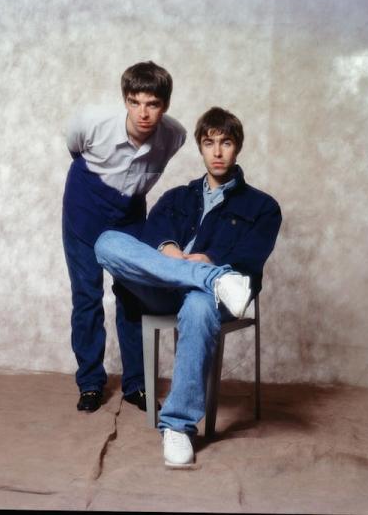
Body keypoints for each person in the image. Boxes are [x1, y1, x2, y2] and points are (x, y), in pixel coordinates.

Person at [93, 107, 282, 466]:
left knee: (197, 303)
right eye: (209, 143)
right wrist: (168, 249)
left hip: (216, 297)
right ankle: (212, 281)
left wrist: (207, 261)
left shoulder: (263, 207)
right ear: (200, 147)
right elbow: (150, 238)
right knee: (106, 242)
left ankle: (177, 427)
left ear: (237, 147)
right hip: (168, 287)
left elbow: (249, 260)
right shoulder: (177, 197)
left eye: (226, 143)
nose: (217, 151)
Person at [63, 61, 187, 413]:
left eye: (153, 104)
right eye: (135, 102)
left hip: (130, 212)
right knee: (87, 296)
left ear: (165, 106)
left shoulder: (174, 136)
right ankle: (90, 383)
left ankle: (137, 385)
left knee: (133, 297)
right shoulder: (93, 122)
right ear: (125, 100)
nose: (143, 113)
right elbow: (74, 150)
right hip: (85, 205)